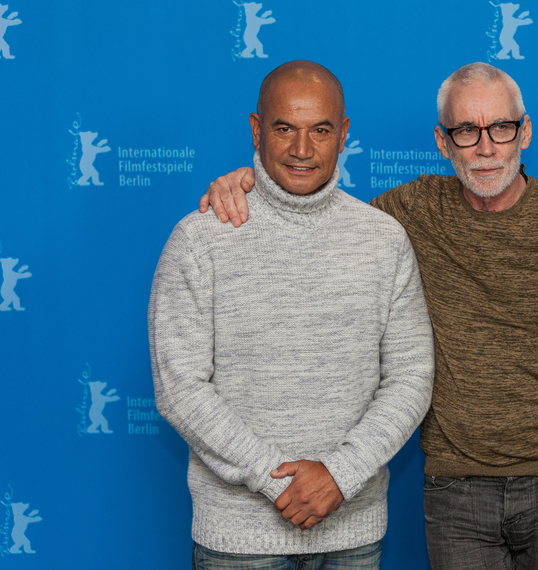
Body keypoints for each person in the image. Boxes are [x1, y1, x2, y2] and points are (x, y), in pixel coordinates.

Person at [200, 62, 538, 570]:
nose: (485, 148)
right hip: (456, 490)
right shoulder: (408, 213)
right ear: (443, 142)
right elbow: (320, 215)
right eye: (466, 131)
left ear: (524, 133)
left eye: (501, 128)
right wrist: (250, 184)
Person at [150, 61, 434, 569]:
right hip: (238, 543)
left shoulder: (384, 239)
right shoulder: (200, 238)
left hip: (351, 537)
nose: (302, 149)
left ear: (343, 134)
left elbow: (412, 376)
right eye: (285, 128)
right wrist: (275, 479)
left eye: (320, 130)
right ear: (256, 129)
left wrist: (340, 474)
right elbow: (180, 387)